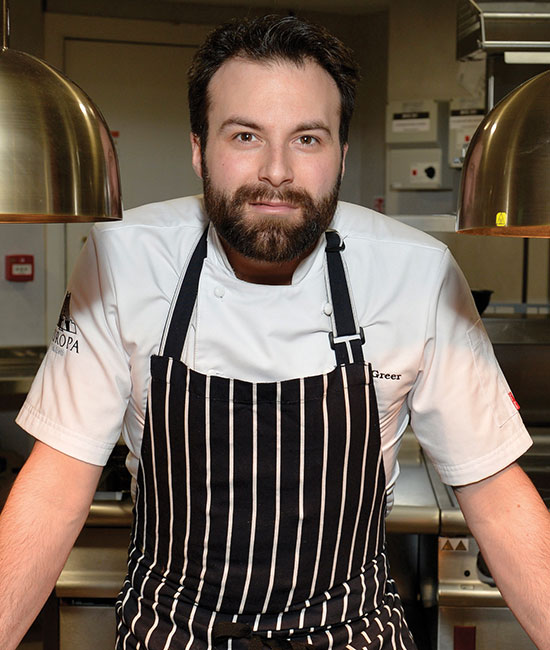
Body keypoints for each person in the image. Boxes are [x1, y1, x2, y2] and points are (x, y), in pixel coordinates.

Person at [1, 13, 549, 650]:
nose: (277, 170)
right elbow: (55, 489)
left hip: (351, 632)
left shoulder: (418, 274)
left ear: (342, 155)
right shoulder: (123, 258)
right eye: (245, 136)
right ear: (199, 149)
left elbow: (497, 498)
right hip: (171, 632)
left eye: (307, 139)